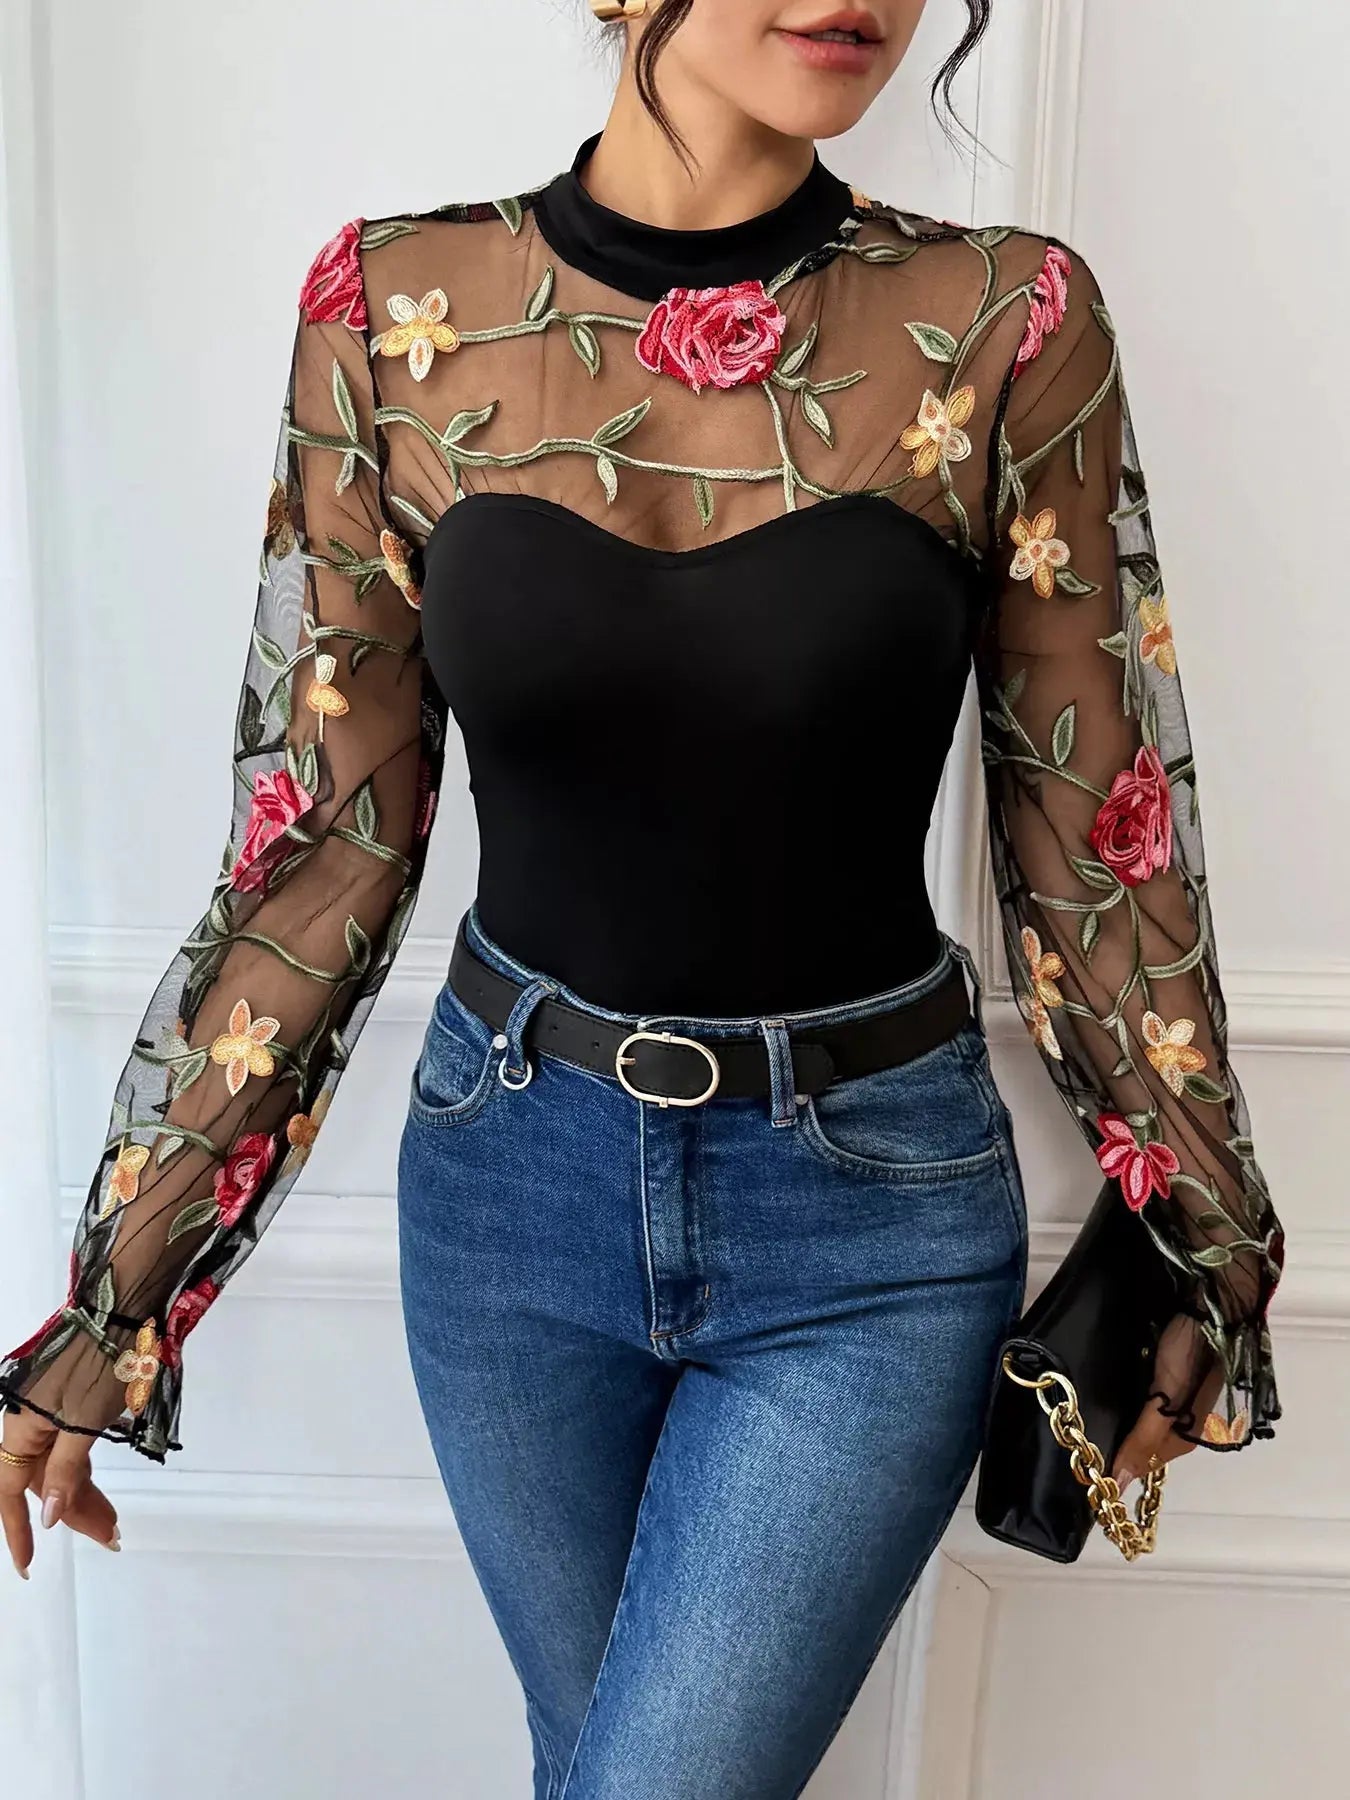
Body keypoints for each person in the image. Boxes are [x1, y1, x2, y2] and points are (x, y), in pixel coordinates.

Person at [1, 0, 1284, 1792]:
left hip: (870, 1218)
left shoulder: (1005, 319)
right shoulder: (389, 312)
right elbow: (326, 845)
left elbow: (1099, 843)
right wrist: (115, 1302)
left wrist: (1209, 1231)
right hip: (505, 1189)